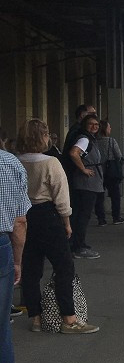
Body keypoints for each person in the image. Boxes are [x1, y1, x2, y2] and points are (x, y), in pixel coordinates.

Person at [13, 120, 98, 334]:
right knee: (64, 267)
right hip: (48, 216)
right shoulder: (51, 162)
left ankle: (36, 318)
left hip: (23, 215)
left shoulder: (16, 161)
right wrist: (67, 222)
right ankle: (69, 318)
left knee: (31, 269)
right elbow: (61, 195)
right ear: (43, 137)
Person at [0, 147, 31, 363]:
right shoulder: (9, 163)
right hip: (0, 245)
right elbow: (19, 221)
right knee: (0, 326)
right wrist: (18, 261)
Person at [67, 113, 104, 259]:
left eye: (96, 124)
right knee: (83, 215)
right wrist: (83, 169)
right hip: (86, 183)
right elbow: (74, 153)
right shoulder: (84, 139)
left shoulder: (88, 138)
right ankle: (79, 246)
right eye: (91, 124)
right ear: (85, 125)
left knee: (80, 214)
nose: (94, 127)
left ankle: (77, 243)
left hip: (86, 182)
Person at [94, 119, 124, 226]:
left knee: (99, 197)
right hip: (111, 172)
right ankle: (116, 217)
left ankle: (101, 219)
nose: (110, 128)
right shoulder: (111, 141)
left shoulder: (94, 141)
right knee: (115, 196)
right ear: (106, 129)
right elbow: (119, 156)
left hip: (98, 172)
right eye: (109, 127)